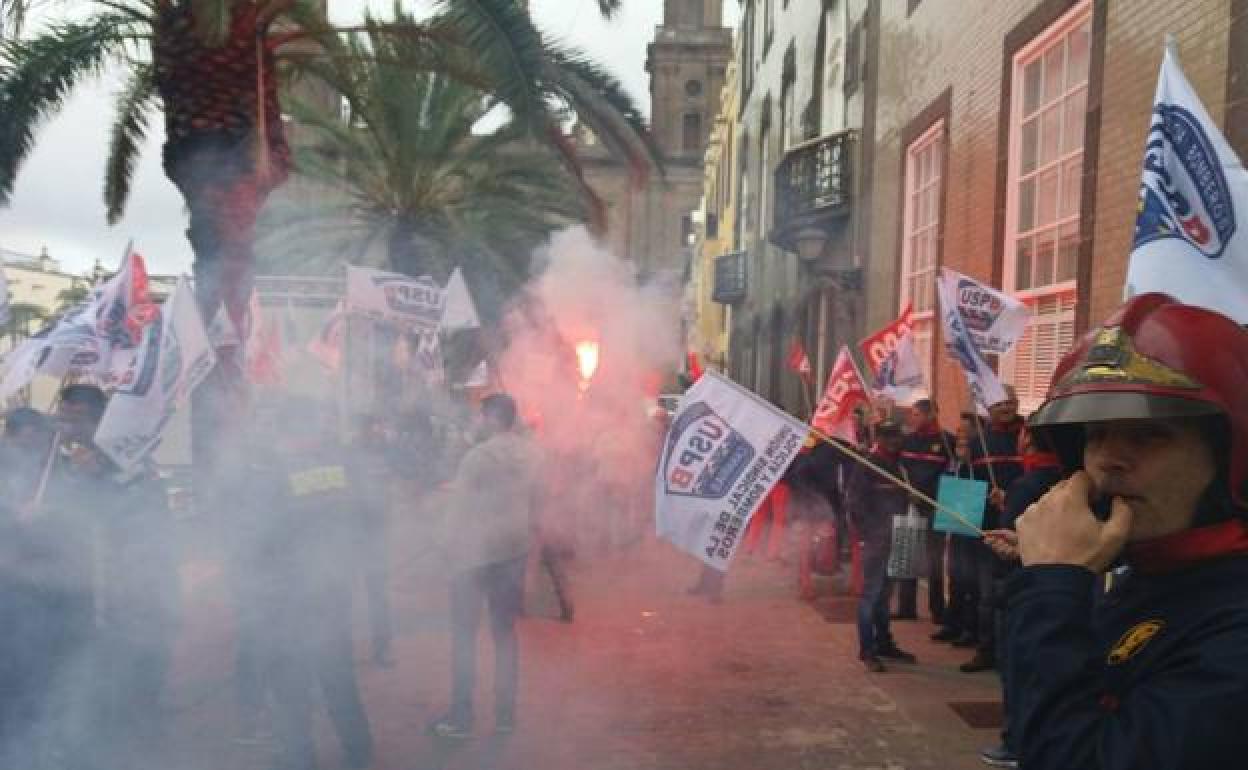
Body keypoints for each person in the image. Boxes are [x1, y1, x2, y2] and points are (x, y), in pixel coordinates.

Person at [995, 293, 1248, 768]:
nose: (1109, 458)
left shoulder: (1234, 624)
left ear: (1228, 455)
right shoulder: (1146, 574)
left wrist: (1053, 587)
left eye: (1148, 434)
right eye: (1095, 434)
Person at [235, 400, 374, 770]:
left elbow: (258, 539)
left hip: (288, 597)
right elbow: (364, 518)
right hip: (331, 590)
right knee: (338, 679)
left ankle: (299, 757)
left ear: (287, 432)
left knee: (290, 685)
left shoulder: (274, 476)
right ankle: (359, 753)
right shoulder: (342, 468)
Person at [431, 393, 543, 738]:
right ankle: (505, 717)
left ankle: (461, 717)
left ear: (492, 418)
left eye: (482, 416)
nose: (479, 422)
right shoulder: (534, 455)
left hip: (474, 555)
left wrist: (443, 545)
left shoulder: (477, 458)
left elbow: (458, 510)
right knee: (504, 635)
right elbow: (537, 502)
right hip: (513, 550)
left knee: (464, 636)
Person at [978, 424, 1063, 768]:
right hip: (1060, 587)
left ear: (1027, 440)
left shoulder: (1028, 484)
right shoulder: (1067, 480)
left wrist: (1007, 519)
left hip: (1025, 589)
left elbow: (1014, 534)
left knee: (1016, 670)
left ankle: (1015, 743)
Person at [846, 419, 917, 672]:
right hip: (876, 540)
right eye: (889, 436)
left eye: (897, 435)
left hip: (896, 537)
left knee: (885, 595)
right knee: (871, 595)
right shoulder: (867, 465)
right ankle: (867, 650)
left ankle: (884, 643)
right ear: (880, 439)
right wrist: (869, 533)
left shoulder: (900, 465)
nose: (895, 440)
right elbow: (855, 504)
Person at [961, 389, 1024, 673]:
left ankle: (1015, 653)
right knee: (988, 595)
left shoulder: (1030, 436)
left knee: (1020, 594)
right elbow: (966, 485)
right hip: (988, 530)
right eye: (999, 403)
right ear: (988, 407)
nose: (1007, 407)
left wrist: (1010, 496)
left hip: (1025, 527)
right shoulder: (977, 443)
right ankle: (986, 651)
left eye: (1011, 402)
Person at [899, 399, 956, 622]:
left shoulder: (947, 441)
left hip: (935, 508)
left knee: (934, 560)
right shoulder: (907, 441)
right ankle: (906, 607)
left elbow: (953, 474)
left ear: (931, 414)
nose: (911, 418)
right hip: (910, 506)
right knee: (908, 554)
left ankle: (938, 609)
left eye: (916, 414)